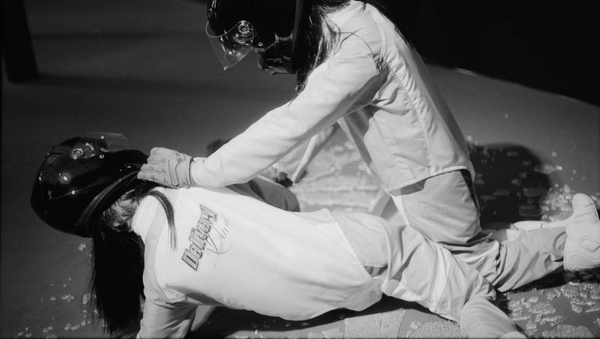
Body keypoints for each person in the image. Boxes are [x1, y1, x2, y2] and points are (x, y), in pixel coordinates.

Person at [138, 0, 600, 291]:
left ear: (275, 20)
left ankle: (582, 243)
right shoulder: (345, 21)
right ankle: (575, 229)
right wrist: (286, 173)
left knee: (478, 268)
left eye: (256, 41)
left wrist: (196, 171)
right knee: (428, 248)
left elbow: (290, 123)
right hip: (415, 174)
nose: (260, 55)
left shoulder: (354, 53)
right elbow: (326, 114)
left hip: (427, 180)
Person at [31, 133, 527, 338]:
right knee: (472, 291)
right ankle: (566, 249)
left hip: (315, 305)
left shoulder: (160, 281)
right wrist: (249, 184)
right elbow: (287, 203)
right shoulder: (198, 177)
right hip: (365, 248)